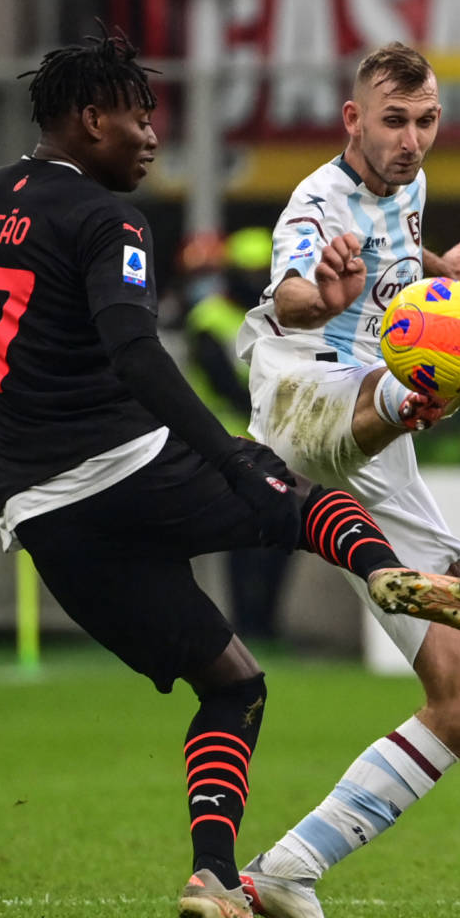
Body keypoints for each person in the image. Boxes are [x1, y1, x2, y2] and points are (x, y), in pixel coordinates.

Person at [0, 28, 460, 918]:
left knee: (272, 685)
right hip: (234, 429)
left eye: (426, 121)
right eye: (140, 119)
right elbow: (207, 326)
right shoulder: (145, 219)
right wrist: (226, 453)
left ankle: (241, 878)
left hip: (40, 513)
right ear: (91, 119)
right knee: (302, 496)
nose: (153, 137)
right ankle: (390, 514)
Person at [235, 41, 460, 918]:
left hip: (376, 446)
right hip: (305, 397)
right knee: (398, 384)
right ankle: (443, 381)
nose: (411, 140)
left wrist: (445, 274)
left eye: (425, 121)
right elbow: (292, 293)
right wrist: (322, 298)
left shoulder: (409, 185)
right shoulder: (315, 203)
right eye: (393, 121)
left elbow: (399, 254)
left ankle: (287, 870)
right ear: (351, 119)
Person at [183, 227, 293, 641]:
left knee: (284, 536)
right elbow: (221, 381)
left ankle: (267, 623)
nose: (254, 280)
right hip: (227, 445)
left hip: (276, 444)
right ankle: (247, 623)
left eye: (261, 272)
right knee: (243, 541)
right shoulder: (209, 318)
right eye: (247, 271)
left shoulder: (280, 319)